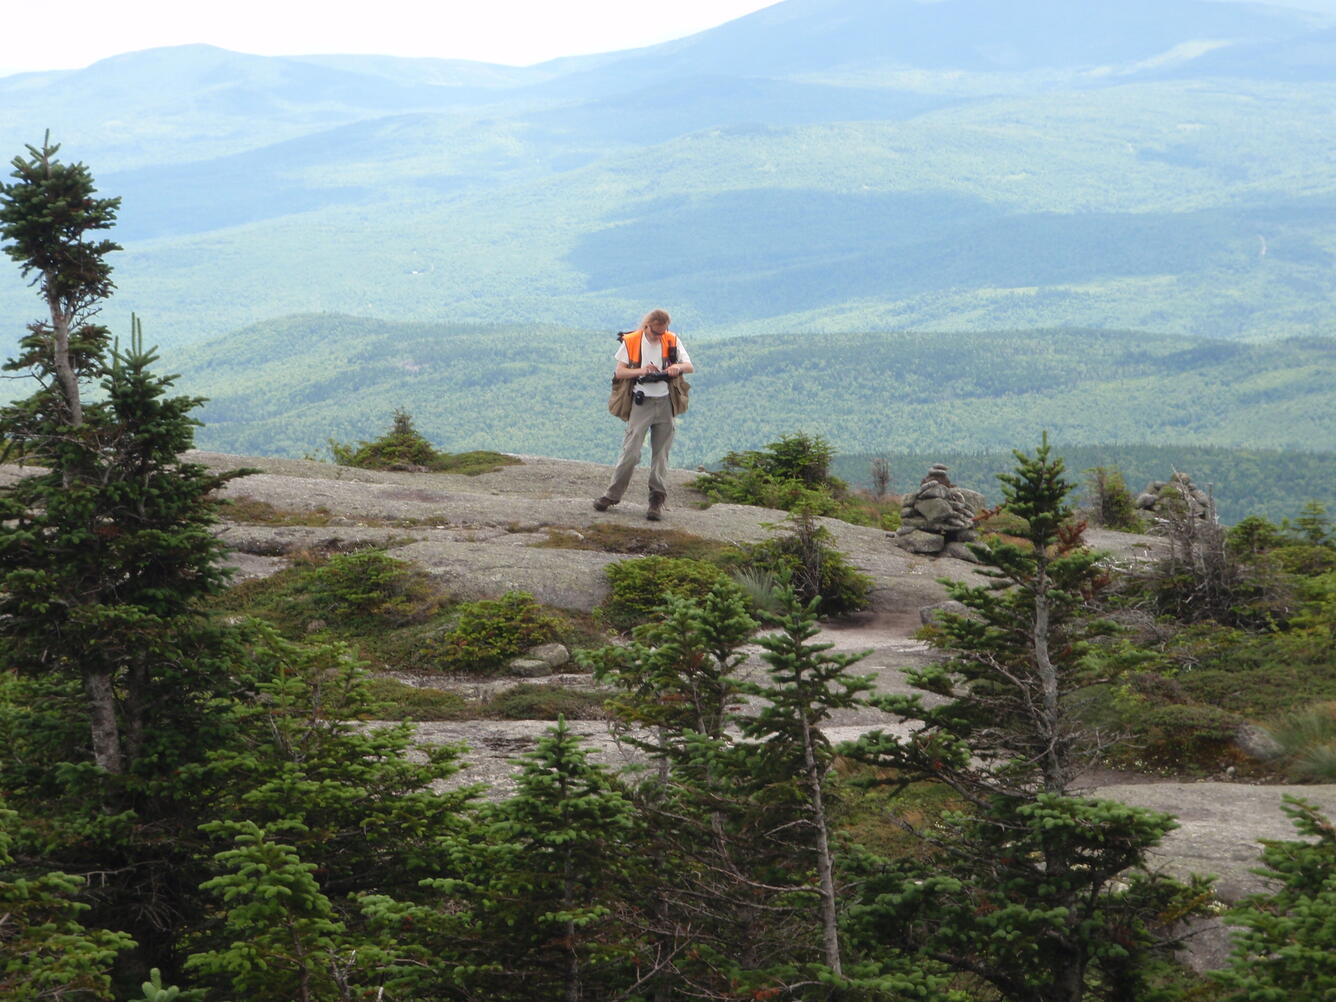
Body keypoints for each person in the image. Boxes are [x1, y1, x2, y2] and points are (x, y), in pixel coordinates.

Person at [594, 309, 694, 521]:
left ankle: (656, 500)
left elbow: (689, 366)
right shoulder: (631, 341)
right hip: (641, 402)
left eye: (663, 332)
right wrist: (641, 371)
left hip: (666, 401)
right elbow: (620, 372)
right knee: (631, 451)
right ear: (647, 326)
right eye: (656, 332)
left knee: (661, 454)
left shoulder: (672, 339)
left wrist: (676, 367)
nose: (660, 336)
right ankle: (612, 495)